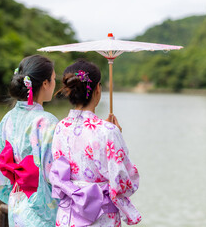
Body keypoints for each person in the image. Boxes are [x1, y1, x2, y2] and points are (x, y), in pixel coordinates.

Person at [50, 59, 141, 227]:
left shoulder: (60, 127)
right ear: (97, 89)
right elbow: (125, 182)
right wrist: (116, 137)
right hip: (100, 217)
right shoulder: (108, 131)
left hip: (67, 216)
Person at [0, 55, 59, 227]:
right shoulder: (46, 121)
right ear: (45, 83)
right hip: (42, 208)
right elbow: (56, 172)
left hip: (17, 203)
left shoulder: (8, 118)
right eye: (53, 79)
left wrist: (11, 193)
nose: (54, 83)